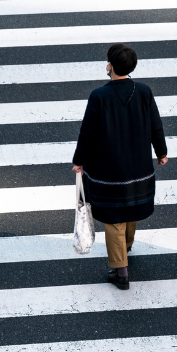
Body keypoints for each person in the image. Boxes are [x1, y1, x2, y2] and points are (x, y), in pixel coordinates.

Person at [72, 43, 169, 290]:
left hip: (108, 168)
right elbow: (155, 124)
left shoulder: (99, 96)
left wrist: (79, 160)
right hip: (138, 166)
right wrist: (161, 152)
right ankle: (126, 245)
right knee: (131, 206)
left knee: (114, 216)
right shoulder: (144, 91)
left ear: (111, 66)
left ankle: (120, 270)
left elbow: (87, 133)